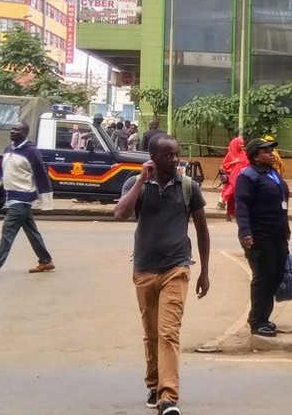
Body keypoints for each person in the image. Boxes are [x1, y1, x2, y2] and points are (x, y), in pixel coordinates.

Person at [114, 134, 210, 415]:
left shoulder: (188, 187)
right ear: (153, 158)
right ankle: (154, 384)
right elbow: (120, 214)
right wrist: (142, 180)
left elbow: (202, 231)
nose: (175, 160)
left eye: (176, 154)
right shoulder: (136, 184)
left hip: (176, 268)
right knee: (151, 332)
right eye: (168, 156)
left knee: (168, 332)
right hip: (144, 269)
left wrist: (204, 271)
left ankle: (168, 395)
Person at [0, 122, 55, 279]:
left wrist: (46, 201)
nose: (12, 131)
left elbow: (41, 175)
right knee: (31, 231)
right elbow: (0, 172)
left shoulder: (31, 152)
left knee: (8, 231)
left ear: (25, 133)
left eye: (17, 129)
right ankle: (46, 260)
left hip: (23, 198)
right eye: (12, 129)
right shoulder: (8, 149)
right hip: (12, 197)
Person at [234, 138, 290, 337]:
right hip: (259, 235)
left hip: (278, 235)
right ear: (255, 156)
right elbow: (241, 206)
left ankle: (264, 317)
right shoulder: (247, 176)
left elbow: (282, 202)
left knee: (276, 274)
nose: (271, 154)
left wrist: (286, 227)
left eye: (272, 151)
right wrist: (245, 232)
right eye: (266, 151)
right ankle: (257, 321)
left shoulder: (273, 173)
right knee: (263, 277)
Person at [219, 137, 249, 220]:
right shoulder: (230, 154)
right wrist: (234, 162)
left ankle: (235, 213)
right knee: (231, 198)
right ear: (236, 144)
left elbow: (247, 163)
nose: (242, 145)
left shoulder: (244, 153)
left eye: (243, 144)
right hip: (231, 179)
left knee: (238, 197)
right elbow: (224, 166)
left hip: (241, 178)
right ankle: (229, 213)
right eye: (240, 144)